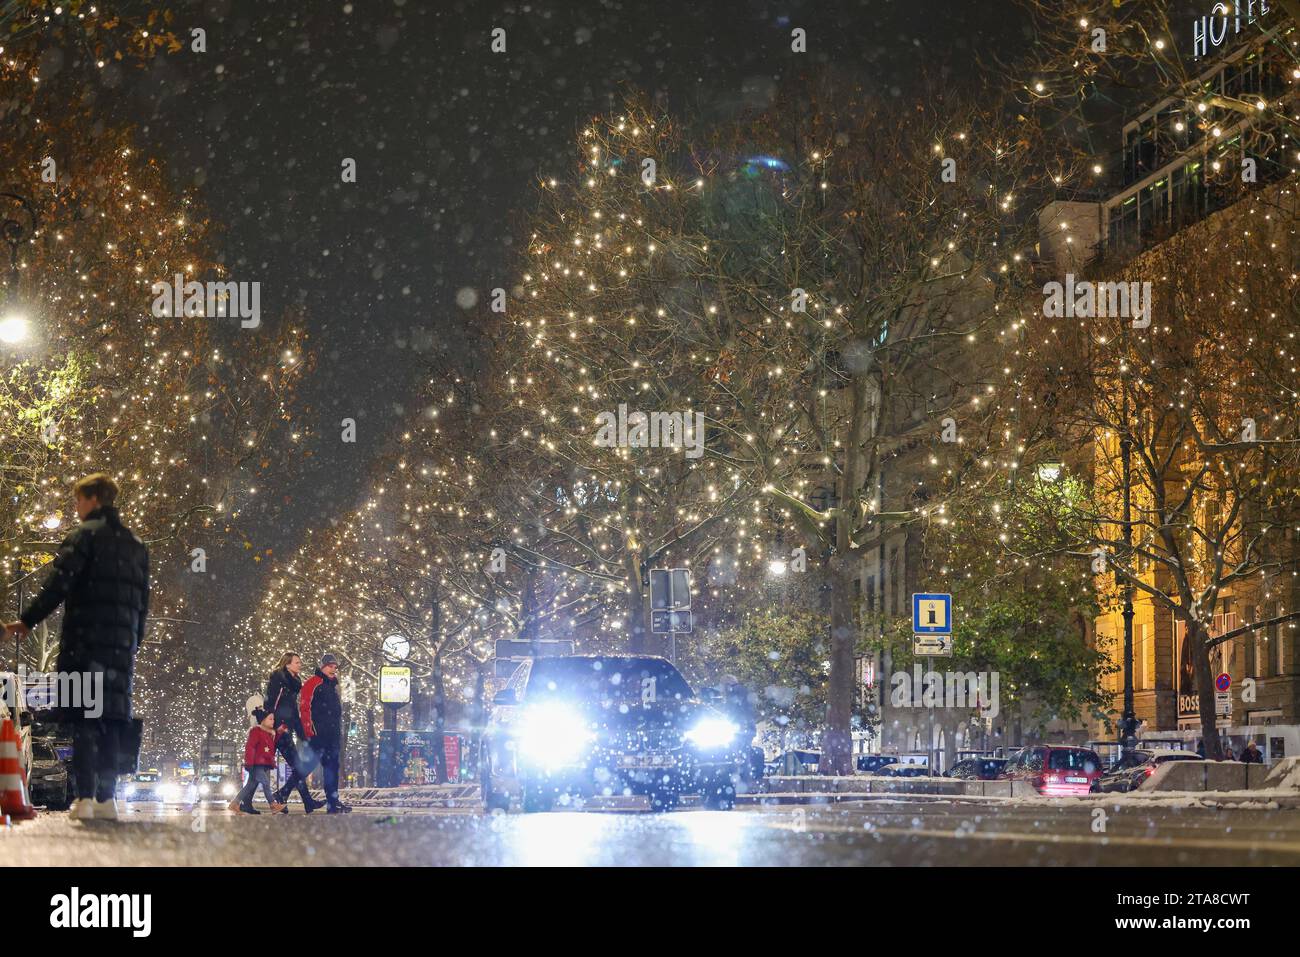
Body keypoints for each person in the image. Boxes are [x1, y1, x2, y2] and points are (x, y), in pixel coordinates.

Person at [2, 474, 148, 822]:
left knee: (83, 718)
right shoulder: (136, 546)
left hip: (85, 643)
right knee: (111, 722)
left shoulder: (83, 537)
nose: (76, 507)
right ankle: (106, 800)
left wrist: (26, 621)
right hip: (120, 649)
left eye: (78, 500)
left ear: (93, 499)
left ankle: (83, 798)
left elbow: (58, 586)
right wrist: (131, 643)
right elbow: (143, 604)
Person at [263, 652, 325, 813]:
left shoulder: (294, 682)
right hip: (278, 730)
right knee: (296, 767)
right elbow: (270, 703)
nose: (300, 664)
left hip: (286, 729)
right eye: (297, 662)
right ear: (287, 664)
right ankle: (288, 796)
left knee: (295, 767)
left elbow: (292, 710)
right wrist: (275, 725)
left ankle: (291, 797)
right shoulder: (279, 679)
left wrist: (302, 733)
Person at [299, 654, 352, 813]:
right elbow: (305, 707)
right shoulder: (313, 683)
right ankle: (283, 793)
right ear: (322, 666)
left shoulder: (333, 685)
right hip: (318, 734)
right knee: (307, 767)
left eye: (335, 667)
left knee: (331, 769)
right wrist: (309, 729)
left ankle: (333, 802)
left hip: (333, 736)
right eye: (330, 666)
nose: (333, 669)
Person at [233, 709, 286, 815]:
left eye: (273, 719)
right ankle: (273, 805)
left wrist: (280, 731)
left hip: (262, 764)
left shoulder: (269, 734)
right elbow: (250, 747)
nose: (273, 721)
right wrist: (249, 763)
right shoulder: (256, 731)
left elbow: (272, 744)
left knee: (250, 786)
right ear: (262, 721)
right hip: (256, 764)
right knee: (266, 783)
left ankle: (234, 804)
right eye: (270, 719)